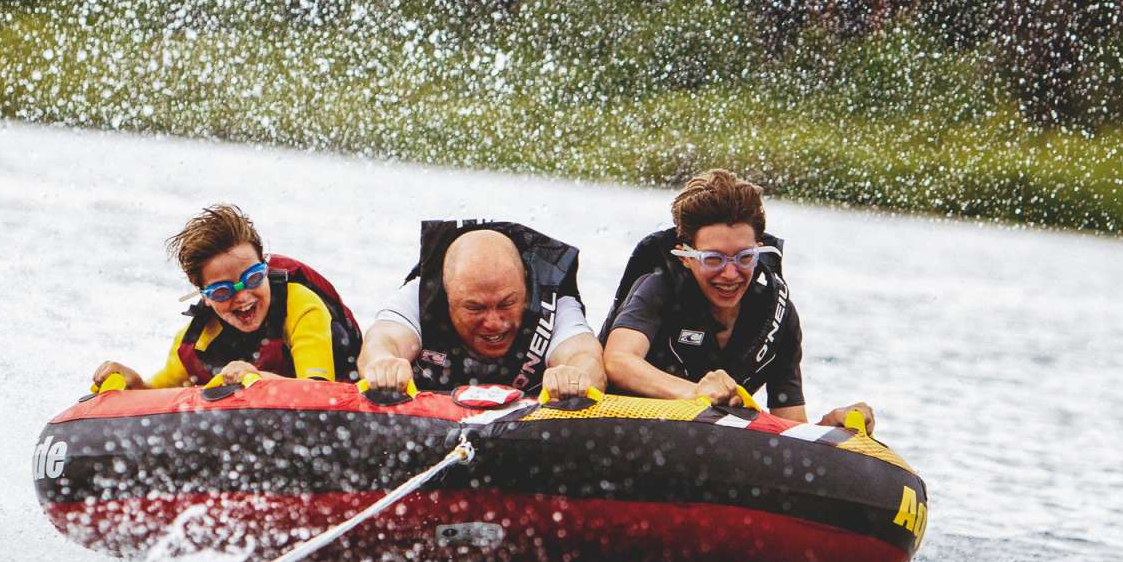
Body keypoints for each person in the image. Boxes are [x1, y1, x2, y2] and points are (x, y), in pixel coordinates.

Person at [600, 169, 874, 431]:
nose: (730, 274)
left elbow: (791, 427)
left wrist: (830, 428)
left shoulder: (777, 314)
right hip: (632, 429)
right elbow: (618, 360)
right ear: (685, 256)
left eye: (744, 258)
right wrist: (694, 392)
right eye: (713, 259)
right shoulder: (658, 287)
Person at [92, 205, 362, 390]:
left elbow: (317, 390)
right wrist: (134, 383)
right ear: (204, 295)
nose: (243, 297)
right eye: (222, 291)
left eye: (254, 278)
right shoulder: (198, 340)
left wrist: (257, 379)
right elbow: (158, 396)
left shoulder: (301, 305)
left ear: (264, 267)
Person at [358, 220, 605, 400]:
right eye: (475, 307)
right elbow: (382, 339)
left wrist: (575, 375)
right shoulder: (420, 293)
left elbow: (585, 355)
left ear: (526, 283)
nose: (494, 323)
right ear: (447, 293)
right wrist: (384, 364)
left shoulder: (554, 300)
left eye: (507, 303)